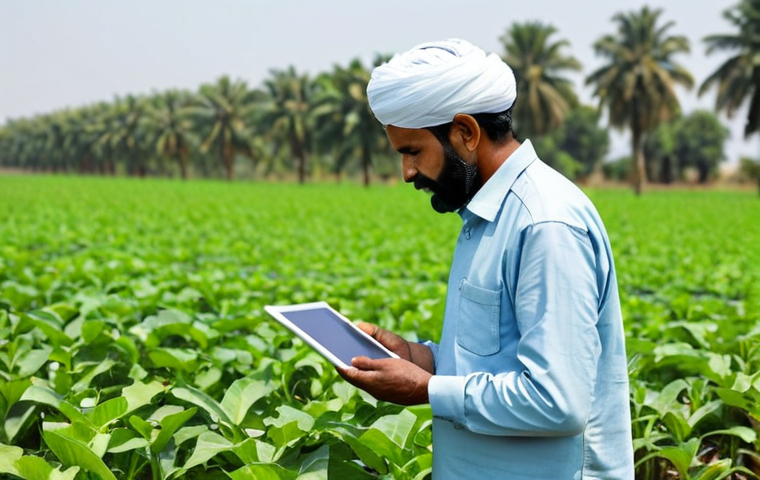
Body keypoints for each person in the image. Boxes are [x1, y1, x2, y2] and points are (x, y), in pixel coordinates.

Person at [337, 38, 634, 480]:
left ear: (466, 133)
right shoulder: (485, 216)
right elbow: (493, 363)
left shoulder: (544, 223)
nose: (407, 173)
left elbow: (559, 401)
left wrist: (428, 390)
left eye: (412, 151)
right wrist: (417, 358)